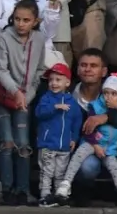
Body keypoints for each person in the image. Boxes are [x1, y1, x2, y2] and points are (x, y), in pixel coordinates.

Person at [0, 0, 56, 206]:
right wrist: (16, 92)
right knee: (7, 142)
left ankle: (23, 190)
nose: (21, 24)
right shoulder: (4, 37)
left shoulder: (39, 39)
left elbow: (40, 71)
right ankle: (6, 189)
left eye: (26, 20)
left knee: (23, 144)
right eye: (17, 19)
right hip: (3, 97)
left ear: (35, 21)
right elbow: (1, 69)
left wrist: (28, 95)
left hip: (25, 98)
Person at [53, 73, 117, 209]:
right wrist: (95, 145)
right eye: (106, 93)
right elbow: (87, 130)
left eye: (114, 94)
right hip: (92, 144)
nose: (109, 97)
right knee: (78, 156)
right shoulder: (94, 106)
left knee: (116, 171)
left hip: (109, 148)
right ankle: (65, 185)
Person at [35, 63, 85, 206]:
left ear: (67, 83)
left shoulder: (72, 102)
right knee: (47, 172)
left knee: (61, 173)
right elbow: (39, 113)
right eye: (51, 80)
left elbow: (77, 121)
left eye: (58, 80)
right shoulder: (46, 98)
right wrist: (54, 107)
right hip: (48, 143)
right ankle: (44, 196)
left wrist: (74, 138)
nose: (53, 83)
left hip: (64, 145)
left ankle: (59, 196)